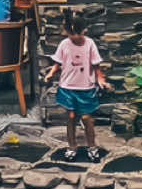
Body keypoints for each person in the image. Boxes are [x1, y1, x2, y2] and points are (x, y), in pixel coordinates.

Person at [46, 9, 110, 162]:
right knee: (71, 117)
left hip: (85, 88)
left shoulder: (90, 44)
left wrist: (100, 79)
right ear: (66, 32)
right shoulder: (64, 44)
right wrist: (51, 74)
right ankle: (72, 146)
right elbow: (58, 63)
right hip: (68, 87)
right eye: (71, 34)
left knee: (87, 118)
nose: (74, 38)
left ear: (85, 31)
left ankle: (92, 146)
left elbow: (96, 65)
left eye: (78, 34)